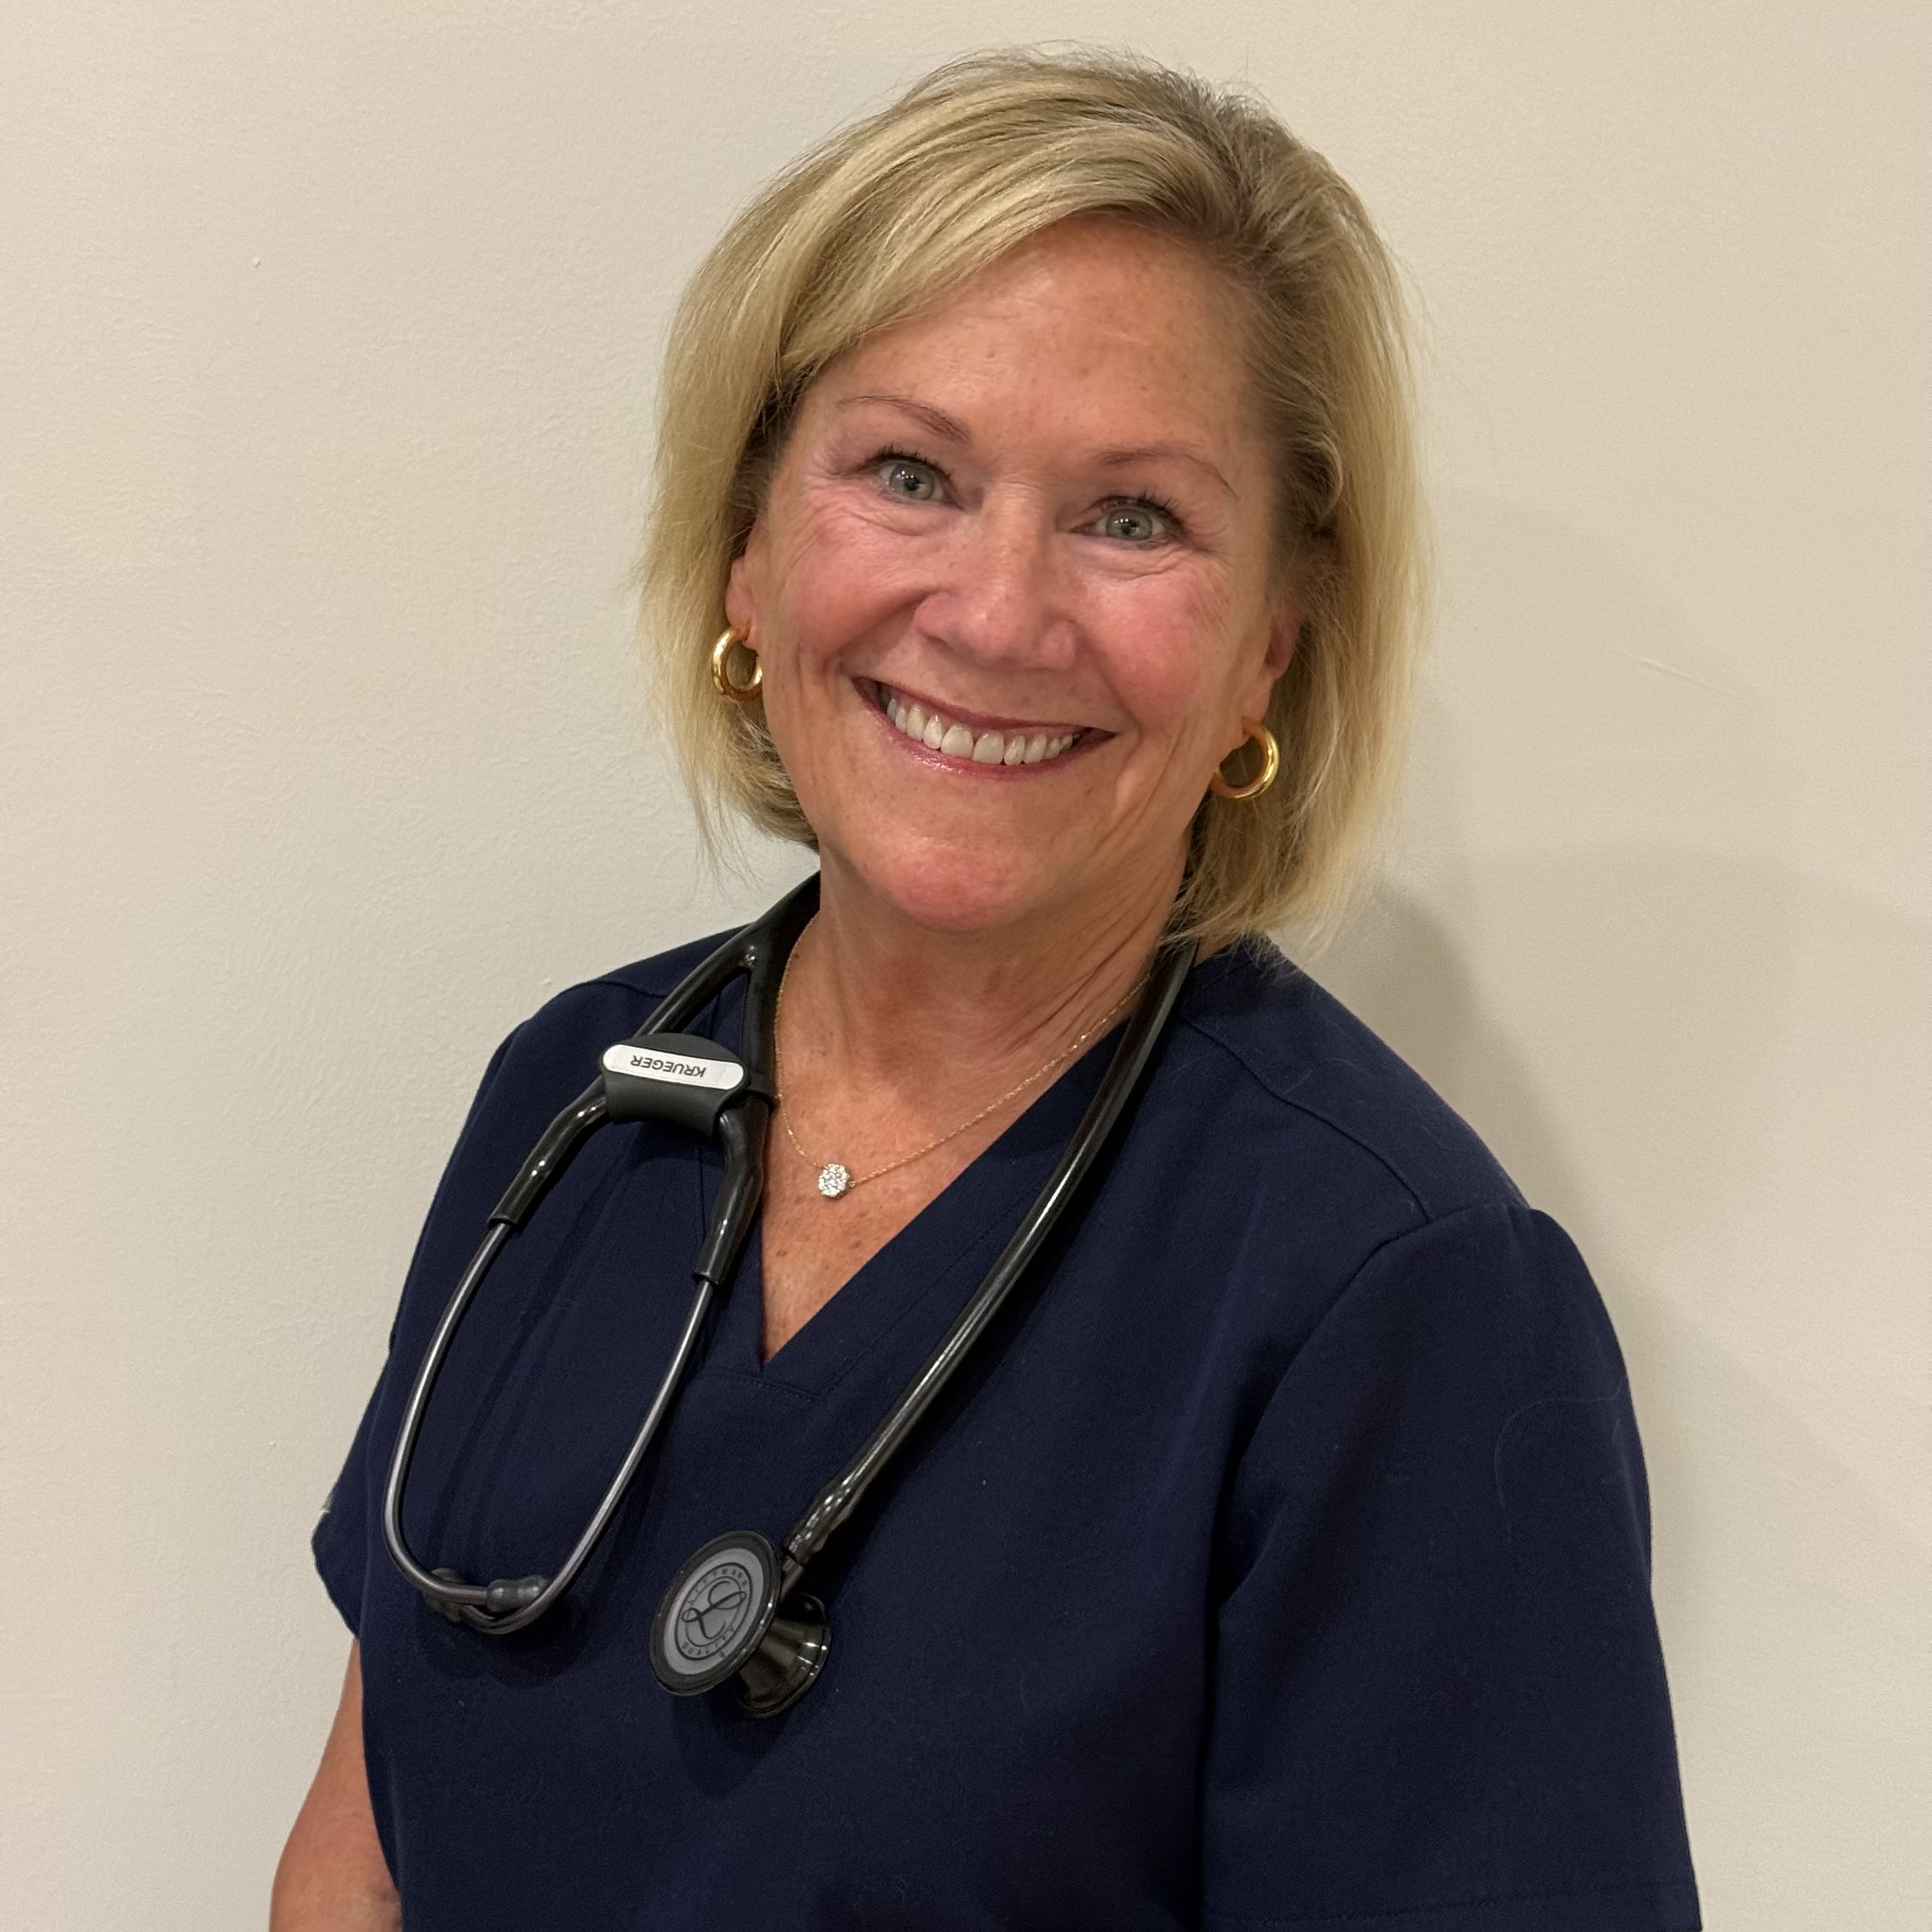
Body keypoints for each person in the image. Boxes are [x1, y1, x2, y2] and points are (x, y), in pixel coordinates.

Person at [272, 49, 1699, 1932]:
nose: (1000, 613)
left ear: (1269, 647)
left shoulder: (1402, 1309)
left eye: (1135, 518)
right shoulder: (577, 1094)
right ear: (748, 549)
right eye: (909, 474)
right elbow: (360, 1851)